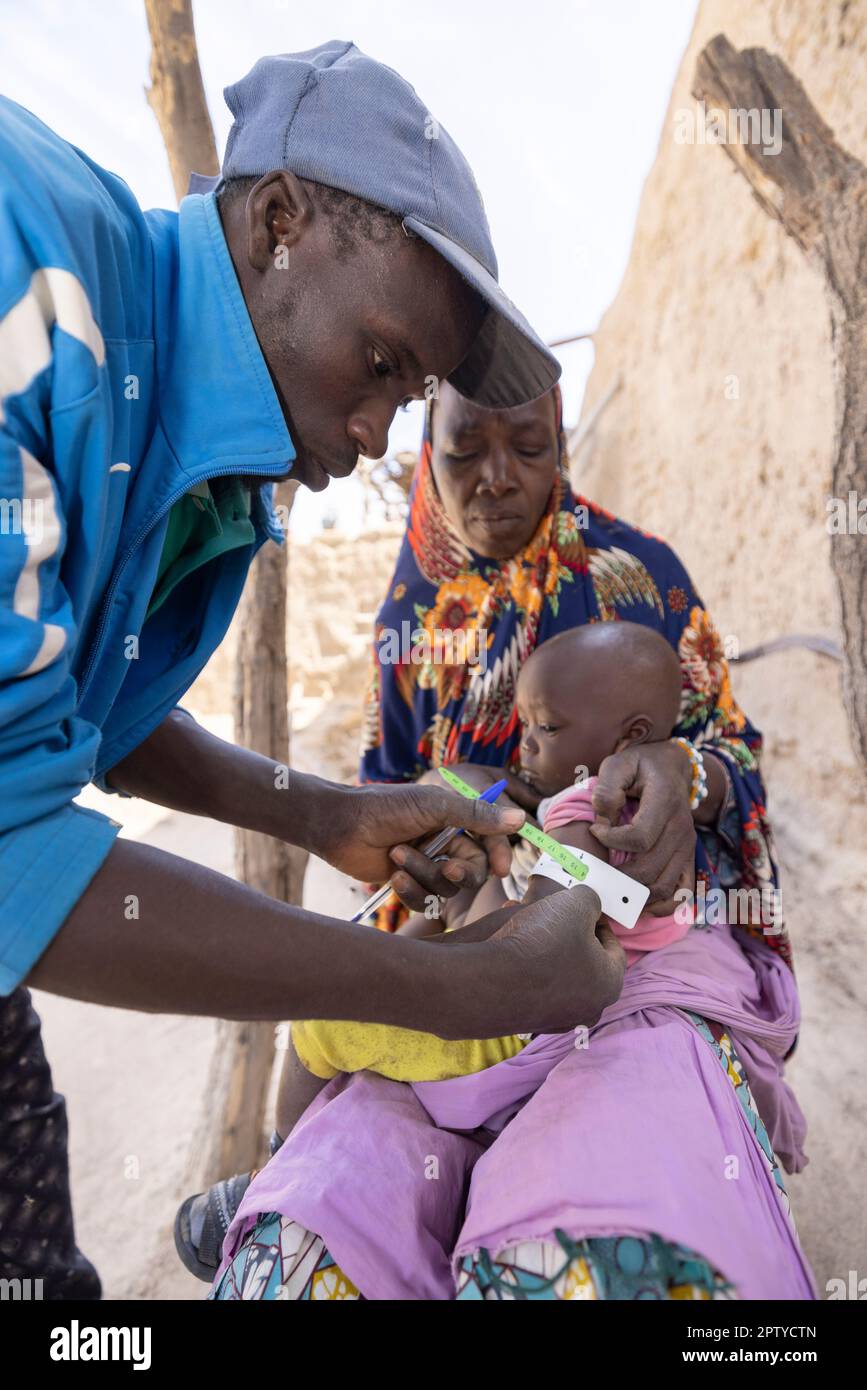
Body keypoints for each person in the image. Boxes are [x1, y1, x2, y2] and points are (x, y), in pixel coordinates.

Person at [0, 42, 622, 1300]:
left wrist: (321, 812)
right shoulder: (34, 276)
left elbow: (61, 724)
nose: (378, 434)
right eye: (384, 367)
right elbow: (13, 844)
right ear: (281, 222)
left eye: (413, 394)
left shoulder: (183, 474)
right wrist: (463, 986)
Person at [207, 384, 814, 1301]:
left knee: (625, 1118)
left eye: (527, 446)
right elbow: (386, 793)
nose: (496, 479)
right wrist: (433, 842)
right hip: (466, 930)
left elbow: (733, 751)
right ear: (427, 454)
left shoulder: (637, 577)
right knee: (346, 1170)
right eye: (464, 452)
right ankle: (281, 1190)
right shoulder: (411, 615)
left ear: (559, 445)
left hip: (641, 938)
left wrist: (685, 774)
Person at [276, 622, 689, 1125]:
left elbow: (530, 946)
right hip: (524, 995)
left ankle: (274, 1174)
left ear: (632, 736)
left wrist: (386, 972)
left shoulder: (582, 820)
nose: (528, 745)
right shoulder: (629, 811)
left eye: (550, 728)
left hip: (504, 1024)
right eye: (526, 726)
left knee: (316, 1023)